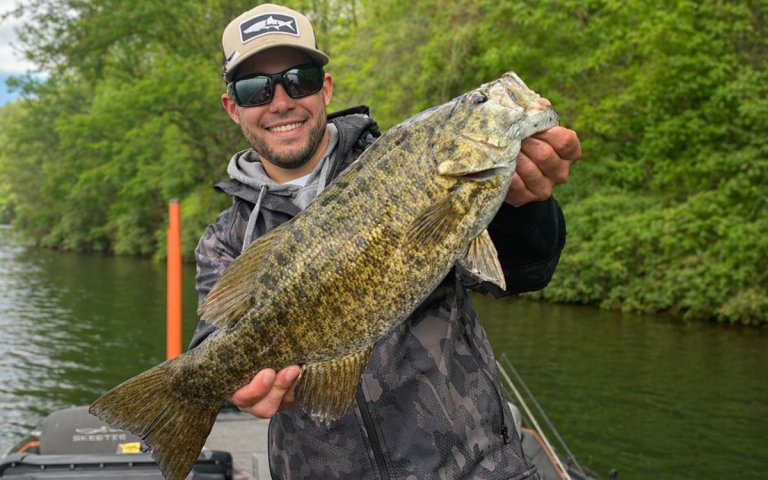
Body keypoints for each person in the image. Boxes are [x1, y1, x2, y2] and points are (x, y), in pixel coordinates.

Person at [190, 3, 582, 479]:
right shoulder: (224, 240)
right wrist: (234, 386)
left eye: (301, 79)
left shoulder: (405, 160)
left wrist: (526, 207)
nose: (280, 101)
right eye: (256, 88)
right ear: (234, 107)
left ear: (325, 89)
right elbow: (216, 335)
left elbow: (524, 272)